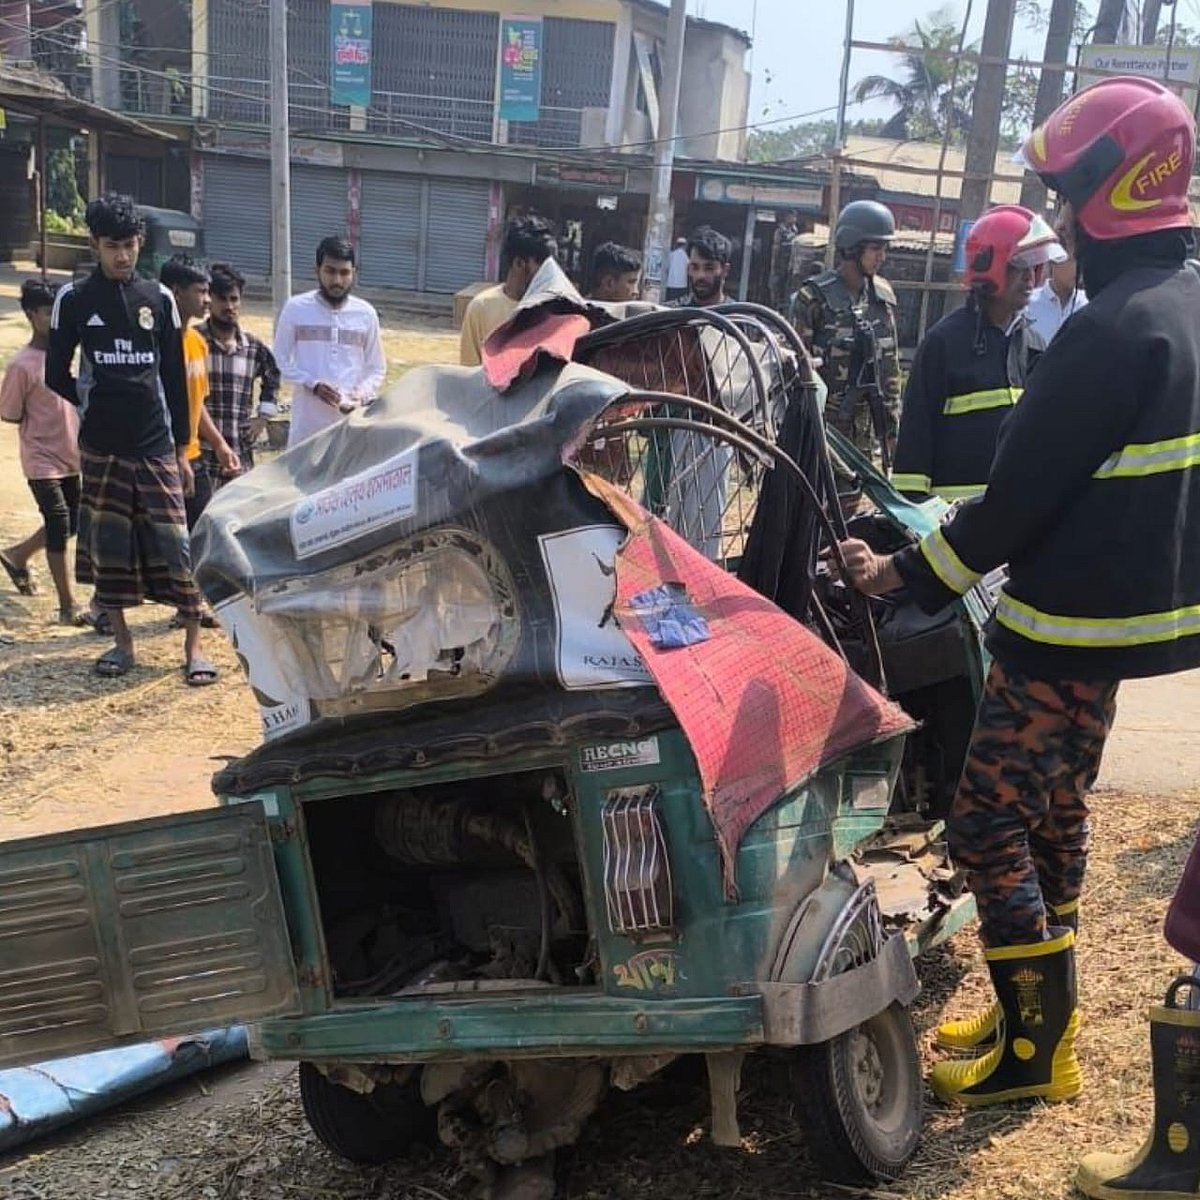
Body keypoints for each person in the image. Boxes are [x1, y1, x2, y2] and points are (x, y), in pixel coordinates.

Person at [837, 76, 1200, 1118]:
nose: (1053, 216)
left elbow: (1007, 513)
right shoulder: (1184, 304)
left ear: (1106, 190)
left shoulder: (1106, 333)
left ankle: (1037, 1048)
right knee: (1059, 819)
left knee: (987, 824)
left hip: (1058, 634)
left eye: (1062, 188)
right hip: (1127, 634)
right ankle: (1036, 1018)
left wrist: (898, 574)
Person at [46, 193, 217, 685]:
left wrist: (184, 449)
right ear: (95, 245)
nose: (122, 255)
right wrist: (93, 403)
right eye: (111, 246)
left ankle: (193, 647)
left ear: (140, 242)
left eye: (129, 244)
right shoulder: (74, 300)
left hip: (156, 446)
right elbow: (57, 373)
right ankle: (123, 644)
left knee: (176, 548)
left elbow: (172, 379)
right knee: (110, 549)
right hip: (101, 447)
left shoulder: (158, 299)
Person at [890, 205, 1055, 502]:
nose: (1030, 278)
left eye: (1034, 266)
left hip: (1008, 526)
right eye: (1018, 265)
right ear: (988, 263)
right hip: (948, 530)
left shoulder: (1034, 346)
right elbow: (914, 447)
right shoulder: (943, 344)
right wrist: (913, 522)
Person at [792, 201, 902, 464]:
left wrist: (892, 433)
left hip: (862, 432)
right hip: (819, 430)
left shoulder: (882, 298)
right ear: (852, 246)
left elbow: (890, 369)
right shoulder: (814, 298)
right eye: (875, 248)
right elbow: (797, 368)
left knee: (853, 502)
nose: (882, 257)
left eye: (884, 249)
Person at [0, 280, 81, 622]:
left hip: (72, 455)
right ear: (32, 315)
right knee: (59, 520)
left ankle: (17, 555)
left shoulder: (70, 356)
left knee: (73, 520)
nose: (55, 319)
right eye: (49, 312)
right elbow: (10, 412)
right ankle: (67, 605)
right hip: (41, 459)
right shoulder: (23, 365)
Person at [274, 236, 386, 447]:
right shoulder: (296, 308)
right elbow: (280, 360)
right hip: (308, 425)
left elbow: (376, 368)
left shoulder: (365, 314)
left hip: (351, 424)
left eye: (344, 273)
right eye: (330, 271)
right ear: (317, 271)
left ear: (354, 273)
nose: (337, 281)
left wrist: (360, 396)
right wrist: (313, 385)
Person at [159, 255, 239, 530]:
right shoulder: (156, 345)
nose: (207, 300)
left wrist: (218, 444)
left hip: (194, 455)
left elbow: (197, 403)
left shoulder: (197, 342)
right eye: (202, 292)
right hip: (163, 457)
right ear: (177, 293)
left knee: (204, 532)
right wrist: (177, 456)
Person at [199, 262, 281, 483]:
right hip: (202, 454)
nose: (229, 306)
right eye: (222, 299)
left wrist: (262, 418)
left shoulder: (252, 348)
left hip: (240, 453)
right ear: (209, 300)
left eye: (234, 299)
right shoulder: (195, 343)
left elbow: (273, 376)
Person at [460, 216, 557, 367]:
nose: (549, 276)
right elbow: (469, 373)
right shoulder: (481, 308)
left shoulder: (554, 310)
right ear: (518, 263)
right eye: (543, 269)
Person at [1026, 236, 1088, 344]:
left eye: (1081, 260)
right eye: (1072, 260)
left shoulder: (1088, 304)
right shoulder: (1028, 305)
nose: (1078, 268)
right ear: (1054, 261)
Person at [669, 226, 733, 308]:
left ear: (725, 271)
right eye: (695, 267)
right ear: (688, 269)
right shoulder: (671, 314)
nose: (700, 275)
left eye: (709, 268)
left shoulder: (738, 317)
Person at [770, 209, 800, 308]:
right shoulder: (780, 231)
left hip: (790, 266)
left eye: (795, 217)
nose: (793, 219)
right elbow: (776, 249)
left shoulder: (795, 231)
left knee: (788, 289)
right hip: (780, 266)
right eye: (791, 217)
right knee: (777, 288)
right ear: (787, 218)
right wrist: (774, 267)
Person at [665, 236, 690, 302]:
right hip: (682, 284)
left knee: (670, 303)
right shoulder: (686, 256)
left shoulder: (671, 254)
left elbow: (667, 268)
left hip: (671, 284)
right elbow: (689, 269)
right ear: (684, 245)